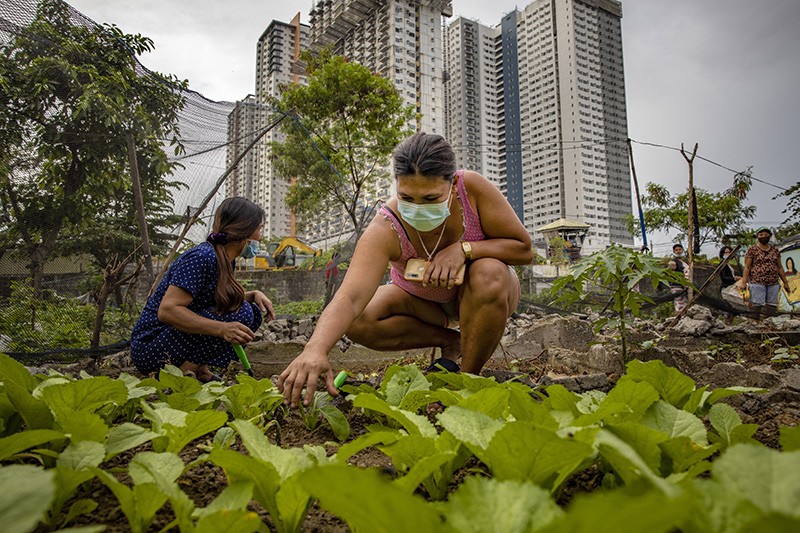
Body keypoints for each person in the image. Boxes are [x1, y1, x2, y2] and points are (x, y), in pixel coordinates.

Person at [278, 132, 533, 406]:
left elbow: (523, 248)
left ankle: (465, 381)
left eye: (431, 198)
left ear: (453, 183)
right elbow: (349, 297)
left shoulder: (471, 189)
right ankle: (451, 341)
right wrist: (315, 348)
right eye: (407, 197)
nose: (417, 207)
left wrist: (465, 249)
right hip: (424, 305)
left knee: (489, 273)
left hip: (483, 293)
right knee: (358, 317)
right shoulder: (386, 226)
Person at [131, 197, 275, 382]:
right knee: (241, 313)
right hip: (151, 347)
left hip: (171, 340)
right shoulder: (202, 257)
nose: (260, 237)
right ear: (244, 230)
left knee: (252, 312)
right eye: (259, 229)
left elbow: (211, 300)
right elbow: (168, 310)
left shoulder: (224, 259)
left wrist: (253, 295)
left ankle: (199, 369)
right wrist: (223, 329)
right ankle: (183, 375)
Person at [737, 227, 789, 319]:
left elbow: (780, 267)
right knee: (757, 305)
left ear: (770, 236)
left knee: (771, 307)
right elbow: (747, 267)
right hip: (757, 281)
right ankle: (754, 325)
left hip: (773, 282)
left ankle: (768, 326)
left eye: (766, 235)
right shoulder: (752, 250)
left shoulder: (774, 251)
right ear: (757, 236)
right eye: (761, 235)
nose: (763, 236)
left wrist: (785, 282)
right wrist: (743, 282)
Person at [668, 243, 690, 315]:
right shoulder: (674, 261)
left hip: (684, 285)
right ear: (674, 251)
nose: (678, 251)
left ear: (682, 250)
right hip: (677, 286)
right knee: (679, 305)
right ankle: (677, 320)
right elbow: (671, 268)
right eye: (676, 250)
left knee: (685, 304)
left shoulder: (683, 261)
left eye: (680, 249)